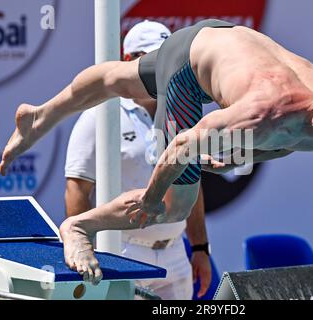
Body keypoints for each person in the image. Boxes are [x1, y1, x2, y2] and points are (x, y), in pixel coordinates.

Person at [0, 19, 313, 284]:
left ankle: (40, 115)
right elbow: (182, 146)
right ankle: (79, 226)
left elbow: (286, 144)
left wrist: (246, 155)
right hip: (188, 68)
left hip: (221, 37)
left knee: (120, 77)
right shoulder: (266, 112)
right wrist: (151, 198)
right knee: (174, 204)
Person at [64, 20, 211, 298]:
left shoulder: (183, 111)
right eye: (153, 59)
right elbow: (77, 187)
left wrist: (200, 248)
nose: (163, 68)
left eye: (167, 58)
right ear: (128, 61)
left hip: (176, 251)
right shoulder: (101, 115)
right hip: (123, 249)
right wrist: (85, 251)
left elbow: (193, 186)